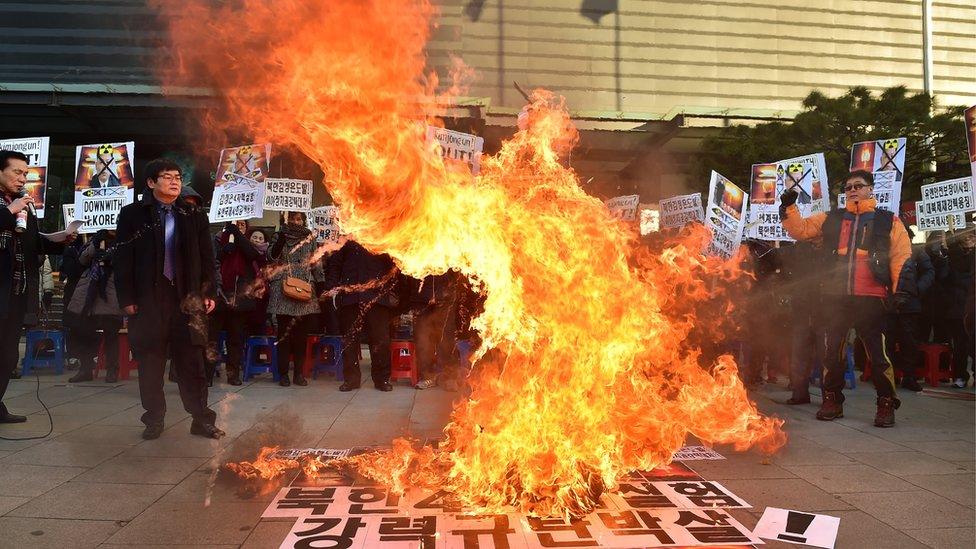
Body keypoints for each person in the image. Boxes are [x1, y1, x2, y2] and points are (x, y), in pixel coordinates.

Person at [779, 170, 913, 427]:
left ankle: (886, 403)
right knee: (832, 353)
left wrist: (900, 292)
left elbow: (901, 258)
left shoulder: (888, 221)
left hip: (872, 298)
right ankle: (832, 400)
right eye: (848, 186)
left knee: (878, 355)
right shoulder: (832, 218)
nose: (852, 190)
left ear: (870, 189)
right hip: (835, 298)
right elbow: (801, 230)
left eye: (858, 186)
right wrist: (788, 206)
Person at [114, 159, 223, 440]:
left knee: (193, 364)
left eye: (178, 176)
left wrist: (209, 292)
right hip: (149, 300)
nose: (175, 182)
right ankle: (154, 419)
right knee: (150, 365)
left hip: (187, 300)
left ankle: (201, 419)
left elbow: (207, 258)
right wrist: (126, 297)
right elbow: (123, 258)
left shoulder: (193, 214)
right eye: (167, 177)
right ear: (151, 183)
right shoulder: (132, 215)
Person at [0, 150, 70, 423]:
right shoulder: (13, 207)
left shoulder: (24, 204)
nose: (23, 178)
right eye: (17, 172)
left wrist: (63, 240)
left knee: (7, 354)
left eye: (26, 174)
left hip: (15, 292)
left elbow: (33, 244)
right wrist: (8, 212)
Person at [324, 239, 398, 392]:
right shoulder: (346, 237)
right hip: (351, 297)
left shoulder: (382, 235)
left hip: (377, 298)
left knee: (380, 340)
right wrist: (332, 287)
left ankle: (382, 379)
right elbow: (335, 264)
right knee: (350, 341)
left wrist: (392, 291)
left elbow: (394, 266)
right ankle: (351, 380)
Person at [266, 212, 323, 387]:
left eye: (298, 219)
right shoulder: (279, 235)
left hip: (304, 288)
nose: (295, 222)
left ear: (303, 221)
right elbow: (271, 257)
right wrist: (282, 238)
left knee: (301, 336)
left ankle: (299, 373)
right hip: (283, 288)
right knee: (284, 335)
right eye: (292, 218)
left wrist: (320, 283)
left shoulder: (310, 238)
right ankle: (283, 374)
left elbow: (316, 262)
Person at [65, 230, 124, 383]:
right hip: (90, 292)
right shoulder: (95, 238)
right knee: (85, 332)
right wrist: (94, 245)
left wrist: (113, 258)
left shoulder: (124, 238)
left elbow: (129, 261)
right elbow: (82, 260)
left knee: (111, 333)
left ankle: (112, 370)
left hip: (110, 291)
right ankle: (85, 369)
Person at [211, 220, 264, 386]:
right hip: (219, 295)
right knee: (212, 337)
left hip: (240, 298)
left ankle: (233, 374)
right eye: (236, 224)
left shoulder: (247, 243)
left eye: (242, 225)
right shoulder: (218, 239)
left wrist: (238, 236)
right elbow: (212, 261)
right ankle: (207, 374)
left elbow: (253, 255)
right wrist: (224, 251)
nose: (239, 227)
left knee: (235, 339)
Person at [889, 223, 934, 392]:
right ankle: (890, 374)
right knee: (889, 341)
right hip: (889, 304)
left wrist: (916, 289)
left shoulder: (916, 252)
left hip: (910, 304)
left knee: (910, 342)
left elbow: (929, 271)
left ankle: (909, 375)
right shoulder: (886, 251)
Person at [408, 271, 460, 390]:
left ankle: (450, 377)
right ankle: (427, 377)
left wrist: (448, 289)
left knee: (446, 339)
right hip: (420, 300)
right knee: (423, 341)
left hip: (445, 299)